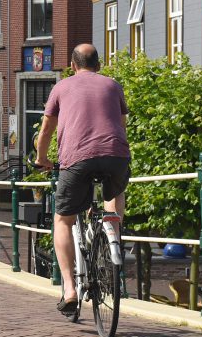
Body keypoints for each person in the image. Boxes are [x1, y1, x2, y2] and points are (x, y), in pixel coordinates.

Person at [32, 43, 129, 314]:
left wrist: (42, 159)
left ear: (72, 66)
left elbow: (47, 130)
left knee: (63, 219)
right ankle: (113, 236)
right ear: (99, 65)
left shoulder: (61, 87)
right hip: (116, 156)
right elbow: (121, 125)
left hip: (77, 159)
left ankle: (70, 288)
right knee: (115, 191)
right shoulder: (113, 85)